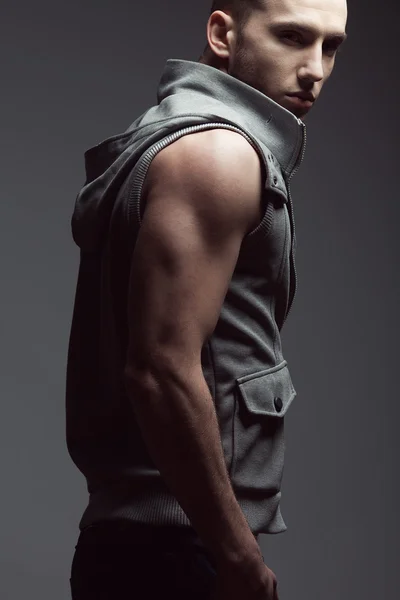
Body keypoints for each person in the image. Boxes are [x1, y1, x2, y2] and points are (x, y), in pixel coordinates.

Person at [66, 0, 348, 598]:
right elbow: (161, 369)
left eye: (331, 46)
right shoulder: (216, 155)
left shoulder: (179, 135)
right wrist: (237, 555)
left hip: (150, 546)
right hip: (175, 552)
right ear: (223, 33)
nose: (315, 68)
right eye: (293, 37)